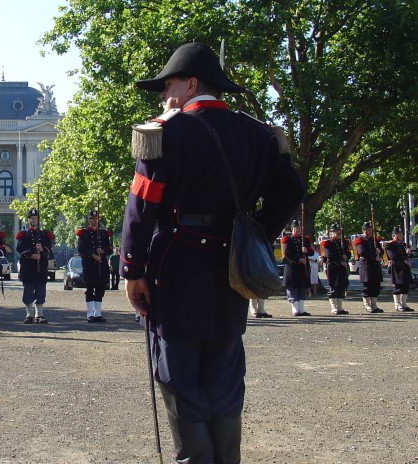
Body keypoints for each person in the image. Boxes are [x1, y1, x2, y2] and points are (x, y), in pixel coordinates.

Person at [120, 42, 304, 463]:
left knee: (179, 377)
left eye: (168, 85)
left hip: (178, 267)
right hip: (231, 270)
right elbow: (291, 192)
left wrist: (133, 269)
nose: (165, 95)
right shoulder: (258, 132)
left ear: (191, 83)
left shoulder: (164, 132)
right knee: (224, 377)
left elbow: (142, 205)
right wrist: (253, 234)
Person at [15, 208, 54, 324]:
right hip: (28, 268)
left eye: (36, 218)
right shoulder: (24, 234)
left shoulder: (43, 234)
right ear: (29, 220)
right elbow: (20, 248)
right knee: (28, 290)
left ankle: (39, 314)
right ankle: (29, 314)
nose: (34, 220)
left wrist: (42, 250)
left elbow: (49, 248)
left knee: (41, 290)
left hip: (41, 267)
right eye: (32, 218)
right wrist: (31, 255)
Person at [76, 210, 113, 322]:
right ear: (89, 220)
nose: (94, 220)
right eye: (92, 219)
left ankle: (98, 314)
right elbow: (81, 248)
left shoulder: (103, 233)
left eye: (96, 218)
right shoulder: (84, 233)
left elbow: (109, 248)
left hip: (101, 265)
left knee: (100, 289)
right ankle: (90, 314)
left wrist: (103, 251)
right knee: (90, 289)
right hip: (89, 265)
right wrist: (93, 253)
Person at [281, 219, 313, 316]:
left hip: (303, 268)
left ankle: (301, 309)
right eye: (296, 228)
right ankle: (295, 309)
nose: (298, 230)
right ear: (292, 229)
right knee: (293, 288)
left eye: (299, 228)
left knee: (302, 287)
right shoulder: (288, 239)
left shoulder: (305, 240)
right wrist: (298, 259)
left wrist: (306, 250)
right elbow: (287, 253)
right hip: (292, 267)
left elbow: (312, 252)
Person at [320, 223, 351, 315]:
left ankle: (340, 307)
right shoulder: (327, 243)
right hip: (332, 267)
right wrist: (340, 261)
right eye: (334, 231)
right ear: (331, 233)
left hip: (342, 267)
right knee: (333, 287)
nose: (337, 233)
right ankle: (334, 307)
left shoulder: (343, 242)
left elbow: (348, 253)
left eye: (338, 231)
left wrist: (346, 257)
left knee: (341, 286)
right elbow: (329, 255)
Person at [354, 221, 384, 313]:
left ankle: (374, 305)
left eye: (371, 230)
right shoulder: (360, 240)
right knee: (367, 286)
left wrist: (379, 252)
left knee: (376, 286)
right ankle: (367, 305)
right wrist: (374, 256)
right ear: (364, 230)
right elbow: (362, 252)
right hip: (367, 265)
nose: (370, 231)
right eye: (368, 229)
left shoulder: (374, 240)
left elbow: (382, 251)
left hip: (375, 266)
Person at [385, 226, 414, 312]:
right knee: (398, 286)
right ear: (394, 235)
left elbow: (408, 256)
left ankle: (404, 304)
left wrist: (409, 253)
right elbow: (392, 256)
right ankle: (397, 304)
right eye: (398, 234)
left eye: (401, 234)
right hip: (397, 267)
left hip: (405, 268)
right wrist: (404, 261)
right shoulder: (390, 245)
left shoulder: (403, 244)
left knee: (406, 286)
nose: (400, 236)